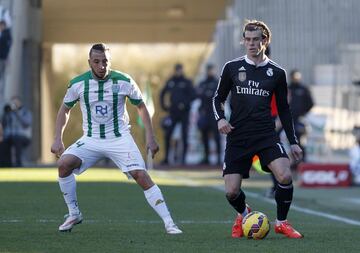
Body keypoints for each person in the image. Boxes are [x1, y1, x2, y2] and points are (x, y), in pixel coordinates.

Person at [50, 43, 182, 234]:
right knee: (64, 164)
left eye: (105, 61)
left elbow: (142, 107)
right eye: (96, 61)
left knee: (141, 175)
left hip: (119, 138)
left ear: (109, 61)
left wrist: (151, 138)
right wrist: (57, 138)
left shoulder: (123, 80)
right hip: (91, 138)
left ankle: (170, 223)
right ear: (90, 62)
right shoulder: (78, 84)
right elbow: (65, 109)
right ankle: (74, 213)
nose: (101, 66)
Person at [213, 20, 303, 239]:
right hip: (238, 135)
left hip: (265, 134)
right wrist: (221, 120)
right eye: (248, 39)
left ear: (265, 40)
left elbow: (284, 110)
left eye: (256, 39)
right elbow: (218, 98)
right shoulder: (232, 67)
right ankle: (244, 214)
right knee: (232, 191)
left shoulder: (277, 73)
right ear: (243, 41)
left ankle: (281, 222)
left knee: (284, 175)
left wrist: (293, 141)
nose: (251, 44)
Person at [159, 63, 195, 165]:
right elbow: (162, 93)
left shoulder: (187, 82)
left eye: (180, 70)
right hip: (173, 112)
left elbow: (194, 95)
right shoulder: (171, 81)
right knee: (168, 134)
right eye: (177, 70)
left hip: (184, 113)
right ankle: (166, 158)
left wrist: (184, 104)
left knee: (184, 135)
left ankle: (183, 159)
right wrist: (164, 106)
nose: (178, 72)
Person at [196, 63, 222, 165]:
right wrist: (207, 93)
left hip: (214, 112)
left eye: (211, 70)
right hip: (204, 113)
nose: (210, 72)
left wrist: (206, 93)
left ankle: (219, 158)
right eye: (209, 70)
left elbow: (216, 95)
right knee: (204, 135)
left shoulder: (217, 82)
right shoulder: (202, 83)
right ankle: (206, 157)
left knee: (216, 136)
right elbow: (198, 93)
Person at [288, 69, 314, 161]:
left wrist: (303, 113)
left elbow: (310, 103)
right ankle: (291, 161)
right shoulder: (287, 89)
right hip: (287, 119)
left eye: (297, 77)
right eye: (294, 77)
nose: (296, 79)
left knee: (300, 139)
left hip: (300, 119)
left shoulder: (304, 89)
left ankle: (302, 160)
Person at [8, 96, 32, 167]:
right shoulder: (10, 113)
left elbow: (26, 123)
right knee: (4, 142)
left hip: (24, 137)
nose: (14, 104)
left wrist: (17, 113)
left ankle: (19, 164)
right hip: (13, 136)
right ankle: (5, 163)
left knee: (17, 140)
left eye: (15, 102)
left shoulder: (26, 112)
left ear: (19, 102)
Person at [0, 20, 12, 96]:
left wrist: (7, 56)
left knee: (1, 75)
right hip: (3, 57)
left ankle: (1, 92)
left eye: (1, 26)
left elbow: (7, 44)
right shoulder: (4, 34)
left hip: (2, 58)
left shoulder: (6, 34)